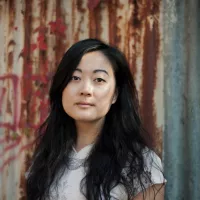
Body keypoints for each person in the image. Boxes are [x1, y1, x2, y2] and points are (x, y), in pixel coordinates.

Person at [26, 38, 166, 200]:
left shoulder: (140, 164)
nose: (86, 90)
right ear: (61, 88)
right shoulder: (45, 159)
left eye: (99, 79)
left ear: (115, 94)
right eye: (75, 78)